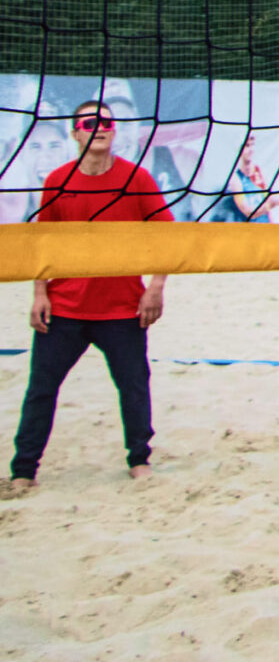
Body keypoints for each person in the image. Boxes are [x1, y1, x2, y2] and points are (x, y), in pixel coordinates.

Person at [7, 102, 171, 492]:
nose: (99, 127)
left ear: (114, 132)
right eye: (89, 122)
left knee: (134, 383)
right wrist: (38, 293)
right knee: (41, 389)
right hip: (65, 308)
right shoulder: (57, 180)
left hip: (122, 308)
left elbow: (169, 237)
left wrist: (156, 287)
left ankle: (139, 459)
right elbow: (43, 243)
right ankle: (24, 470)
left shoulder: (138, 179)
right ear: (75, 133)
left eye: (106, 122)